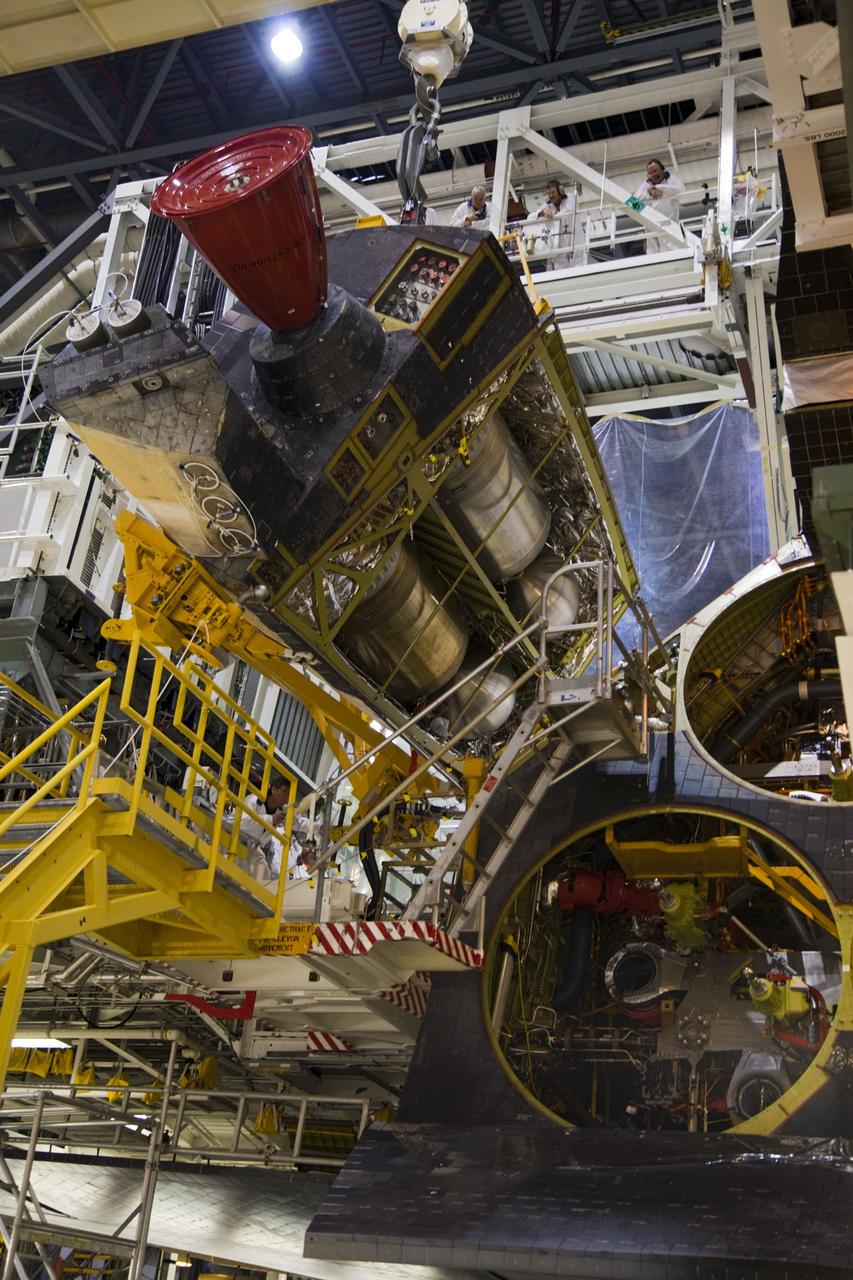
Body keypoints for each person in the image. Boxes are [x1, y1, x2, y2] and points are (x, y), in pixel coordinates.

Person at [633, 158, 685, 254]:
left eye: (655, 171)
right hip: (651, 226)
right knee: (653, 254)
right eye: (650, 173)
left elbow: (680, 191)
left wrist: (659, 188)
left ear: (662, 169)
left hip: (670, 224)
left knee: (671, 252)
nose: (653, 174)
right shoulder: (646, 185)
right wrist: (649, 193)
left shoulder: (671, 179)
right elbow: (633, 203)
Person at [534, 179, 580, 269]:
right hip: (559, 252)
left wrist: (553, 215)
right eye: (549, 193)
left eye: (553, 192)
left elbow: (569, 211)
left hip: (576, 245)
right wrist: (543, 213)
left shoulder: (571, 198)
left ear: (560, 191)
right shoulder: (547, 205)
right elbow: (531, 216)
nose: (551, 195)